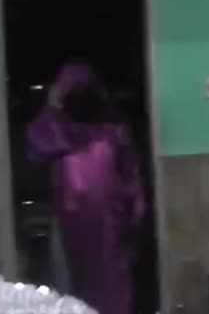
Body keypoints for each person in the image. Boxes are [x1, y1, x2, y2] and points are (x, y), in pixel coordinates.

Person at [27, 62, 145, 314]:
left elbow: (132, 183)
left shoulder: (74, 132)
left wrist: (52, 106)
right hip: (97, 227)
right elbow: (133, 185)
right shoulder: (95, 132)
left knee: (91, 290)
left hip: (94, 226)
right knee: (97, 287)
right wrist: (134, 225)